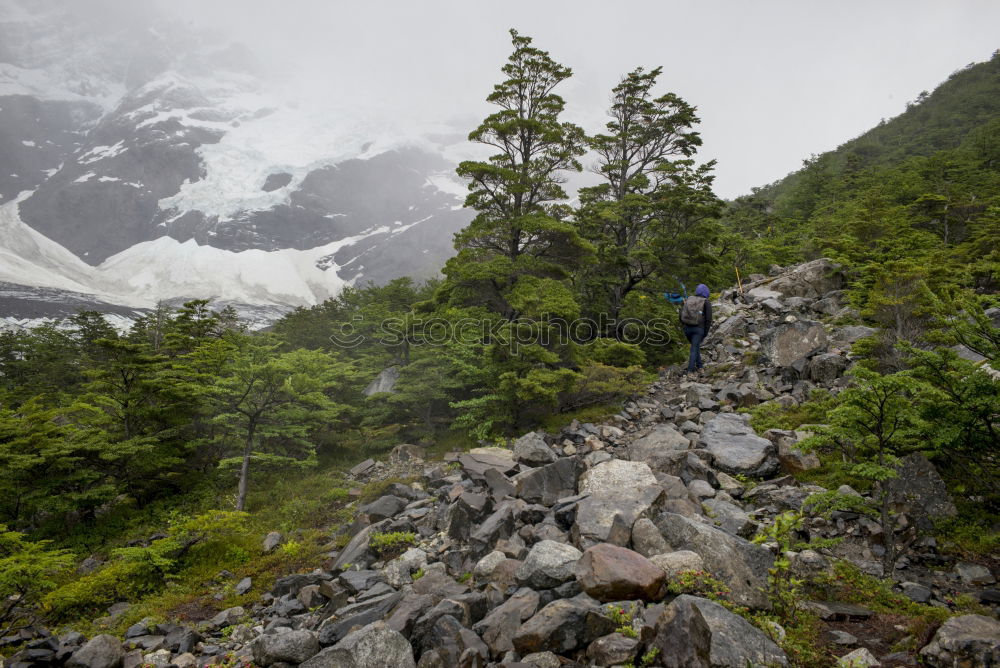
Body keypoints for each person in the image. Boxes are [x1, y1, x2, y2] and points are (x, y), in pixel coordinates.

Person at [679, 283, 712, 375]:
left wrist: (684, 325)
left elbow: (681, 313)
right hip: (698, 329)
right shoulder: (706, 302)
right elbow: (708, 319)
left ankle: (700, 366)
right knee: (694, 348)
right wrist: (705, 332)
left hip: (687, 328)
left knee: (695, 347)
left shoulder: (689, 299)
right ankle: (690, 371)